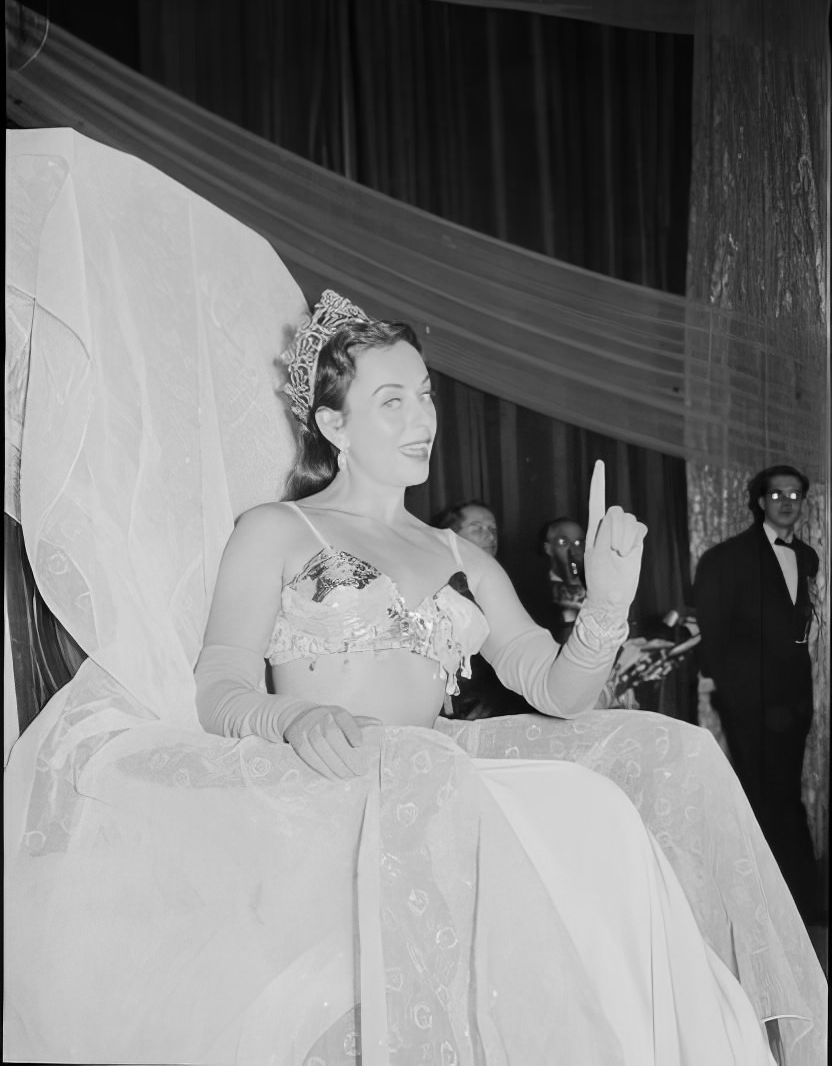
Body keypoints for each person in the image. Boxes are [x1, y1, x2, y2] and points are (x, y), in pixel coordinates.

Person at [194, 299, 782, 1062]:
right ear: (334, 426)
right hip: (327, 786)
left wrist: (606, 605)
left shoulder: (462, 556)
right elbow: (218, 686)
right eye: (392, 400)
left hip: (436, 775)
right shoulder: (275, 530)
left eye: (428, 394)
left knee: (652, 770)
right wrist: (296, 721)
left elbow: (559, 691)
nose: (423, 417)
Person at [693, 465, 821, 922]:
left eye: (795, 495)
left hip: (793, 699)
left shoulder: (806, 555)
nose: (788, 502)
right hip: (748, 700)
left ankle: (797, 897)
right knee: (761, 794)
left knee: (784, 793)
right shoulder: (726, 558)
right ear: (760, 502)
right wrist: (738, 691)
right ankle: (765, 900)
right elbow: (711, 632)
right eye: (778, 494)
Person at [431, 500, 534, 719]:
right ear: (450, 534)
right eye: (477, 528)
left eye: (493, 529)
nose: (489, 536)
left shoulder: (508, 584)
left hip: (503, 706)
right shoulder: (435, 584)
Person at [539, 515, 588, 645]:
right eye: (563, 543)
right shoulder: (536, 592)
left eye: (578, 543)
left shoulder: (596, 585)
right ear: (548, 548)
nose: (573, 550)